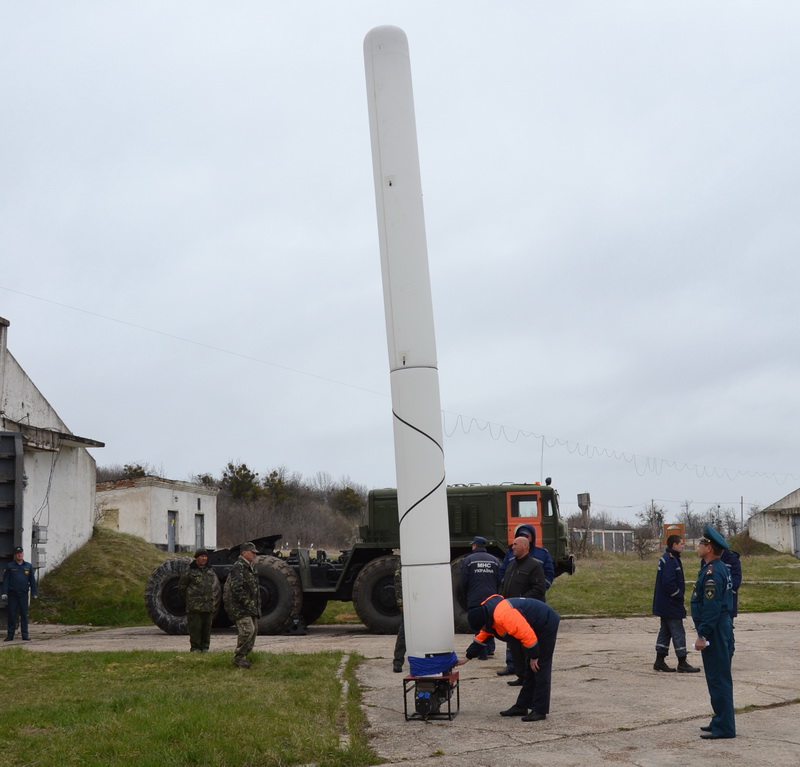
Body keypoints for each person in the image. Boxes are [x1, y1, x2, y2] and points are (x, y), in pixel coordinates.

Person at [457, 594, 560, 722]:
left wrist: (535, 656)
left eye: (480, 627)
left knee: (539, 667)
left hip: (545, 622)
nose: (481, 629)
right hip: (532, 627)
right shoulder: (488, 616)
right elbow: (481, 638)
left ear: (484, 622)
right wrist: (467, 658)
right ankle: (522, 706)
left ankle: (540, 711)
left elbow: (527, 635)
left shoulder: (504, 616)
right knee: (530, 668)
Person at [691, 525, 735, 739]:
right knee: (718, 677)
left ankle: (725, 727)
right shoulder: (717, 568)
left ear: (709, 548)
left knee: (718, 678)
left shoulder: (713, 572)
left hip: (715, 629)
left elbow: (712, 606)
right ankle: (720, 719)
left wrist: (703, 634)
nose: (698, 546)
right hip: (721, 626)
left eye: (701, 543)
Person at [497, 524, 553, 677]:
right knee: (512, 639)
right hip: (512, 607)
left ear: (530, 539)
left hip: (531, 605)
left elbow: (547, 576)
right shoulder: (511, 556)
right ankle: (513, 666)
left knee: (529, 637)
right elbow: (503, 574)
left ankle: (532, 671)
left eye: (525, 536)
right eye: (518, 536)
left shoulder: (541, 555)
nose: (514, 545)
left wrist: (525, 599)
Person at [652, 535, 699, 673]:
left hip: (665, 603)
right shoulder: (671, 560)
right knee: (678, 631)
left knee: (665, 631)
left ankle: (659, 661)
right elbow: (668, 582)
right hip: (671, 603)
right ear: (674, 545)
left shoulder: (668, 558)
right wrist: (678, 595)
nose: (683, 546)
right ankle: (682, 661)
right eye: (681, 544)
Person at [459, 536, 500, 660]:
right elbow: (499, 580)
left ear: (474, 546)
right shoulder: (494, 560)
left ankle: (482, 653)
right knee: (490, 622)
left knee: (478, 623)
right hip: (491, 598)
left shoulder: (468, 560)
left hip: (475, 598)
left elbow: (463, 581)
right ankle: (490, 649)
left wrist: (465, 596)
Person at [223, 542, 261, 668]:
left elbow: (255, 588)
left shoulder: (251, 567)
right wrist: (248, 603)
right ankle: (238, 657)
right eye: (252, 552)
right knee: (247, 631)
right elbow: (237, 589)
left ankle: (245, 656)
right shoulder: (238, 567)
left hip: (251, 606)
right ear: (244, 553)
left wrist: (256, 605)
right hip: (241, 607)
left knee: (253, 631)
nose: (255, 555)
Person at [179, 548, 217, 652]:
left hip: (208, 605)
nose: (204, 558)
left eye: (205, 556)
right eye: (202, 556)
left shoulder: (210, 570)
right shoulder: (189, 571)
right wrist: (190, 599)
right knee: (195, 628)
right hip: (194, 606)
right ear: (196, 558)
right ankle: (195, 648)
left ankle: (205, 647)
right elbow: (182, 587)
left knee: (206, 628)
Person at [2, 546, 38, 641]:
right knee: (12, 615)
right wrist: (4, 592)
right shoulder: (10, 566)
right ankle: (10, 635)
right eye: (17, 554)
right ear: (15, 555)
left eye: (20, 553)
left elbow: (32, 581)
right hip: (13, 594)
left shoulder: (28, 566)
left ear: (23, 554)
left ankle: (25, 635)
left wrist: (34, 592)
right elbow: (6, 581)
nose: (19, 555)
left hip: (23, 594)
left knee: (24, 615)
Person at [392, 563, 405, 673]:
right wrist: (401, 602)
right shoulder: (406, 559)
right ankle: (398, 661)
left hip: (424, 599)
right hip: (409, 600)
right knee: (404, 632)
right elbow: (398, 579)